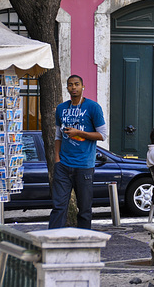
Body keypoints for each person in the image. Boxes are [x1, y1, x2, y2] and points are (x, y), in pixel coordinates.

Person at [49, 75, 107, 230]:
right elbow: (57, 136)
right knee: (58, 207)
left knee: (85, 209)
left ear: (83, 87)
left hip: (84, 165)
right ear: (67, 88)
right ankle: (53, 241)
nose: (73, 87)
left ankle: (84, 242)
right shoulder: (61, 108)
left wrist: (80, 133)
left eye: (76, 84)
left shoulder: (93, 107)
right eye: (70, 85)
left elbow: (102, 135)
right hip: (63, 165)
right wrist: (57, 158)